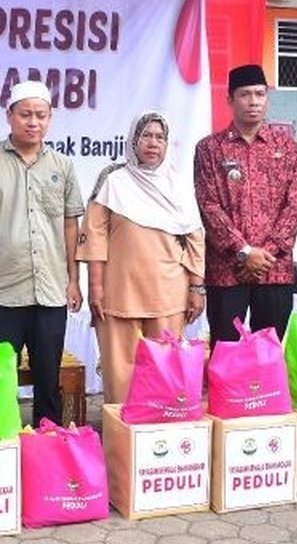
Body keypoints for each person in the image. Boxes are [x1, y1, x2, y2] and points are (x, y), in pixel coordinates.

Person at [0, 80, 84, 426]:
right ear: (9, 116)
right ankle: (1, 447)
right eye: (25, 114)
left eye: (41, 115)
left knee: (48, 379)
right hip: (1, 290)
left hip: (51, 290)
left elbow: (70, 225)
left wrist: (74, 279)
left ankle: (47, 448)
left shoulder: (62, 166)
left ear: (50, 119)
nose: (33, 122)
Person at [77, 111, 206, 404]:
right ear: (134, 140)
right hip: (118, 292)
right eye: (146, 135)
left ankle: (160, 441)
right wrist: (95, 288)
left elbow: (195, 240)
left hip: (169, 293)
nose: (153, 143)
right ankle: (121, 444)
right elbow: (94, 236)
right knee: (120, 373)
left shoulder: (178, 184)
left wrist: (197, 288)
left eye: (160, 137)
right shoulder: (113, 182)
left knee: (164, 373)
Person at [194, 64, 297, 342]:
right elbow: (209, 205)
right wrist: (243, 251)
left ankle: (267, 390)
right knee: (227, 353)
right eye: (245, 94)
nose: (253, 101)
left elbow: (294, 203)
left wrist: (265, 254)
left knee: (269, 353)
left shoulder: (286, 145)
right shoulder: (209, 148)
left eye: (260, 94)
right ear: (229, 99)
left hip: (274, 269)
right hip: (227, 271)